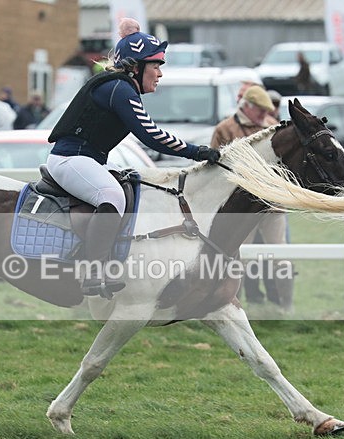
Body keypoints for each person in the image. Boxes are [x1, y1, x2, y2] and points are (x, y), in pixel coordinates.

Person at [47, 18, 221, 297]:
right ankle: (93, 271)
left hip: (87, 159)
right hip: (71, 159)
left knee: (135, 184)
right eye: (156, 66)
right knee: (112, 197)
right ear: (136, 67)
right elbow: (151, 135)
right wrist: (195, 151)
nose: (160, 74)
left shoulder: (120, 87)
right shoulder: (120, 89)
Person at [210, 86, 291, 310]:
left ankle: (285, 304)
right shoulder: (225, 129)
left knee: (280, 255)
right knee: (240, 256)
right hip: (241, 209)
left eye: (267, 111)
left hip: (272, 206)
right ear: (248, 107)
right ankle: (234, 303)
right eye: (261, 111)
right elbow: (216, 168)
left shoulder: (271, 128)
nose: (266, 116)